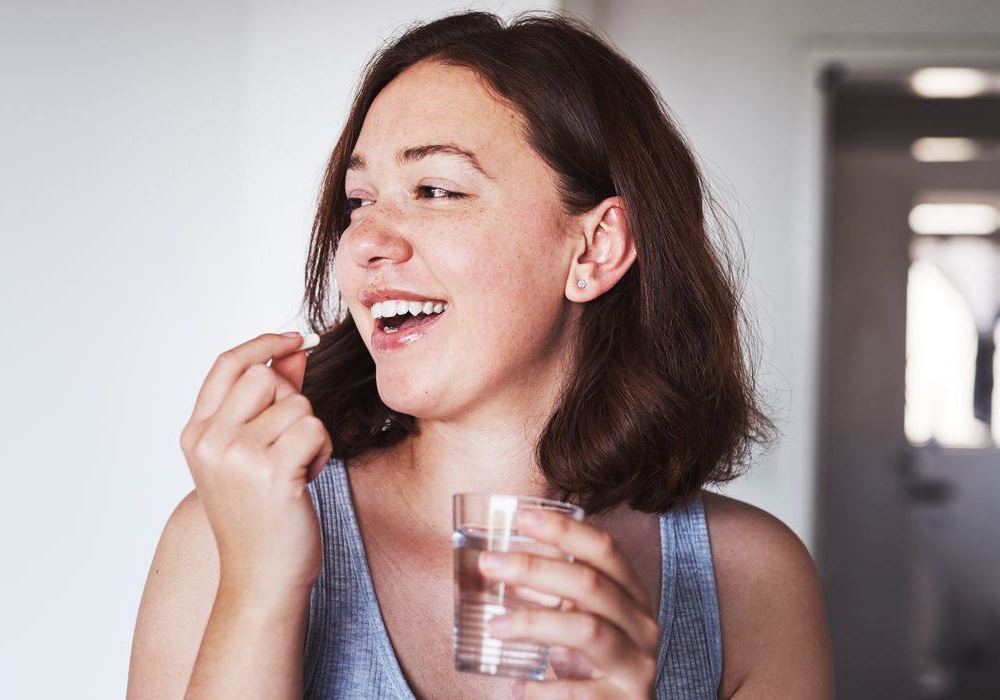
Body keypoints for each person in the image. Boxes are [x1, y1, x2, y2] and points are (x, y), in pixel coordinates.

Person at [127, 10, 833, 699]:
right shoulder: (224, 540)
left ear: (595, 249)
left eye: (435, 190)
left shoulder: (751, 583)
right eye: (359, 200)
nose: (366, 240)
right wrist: (259, 593)